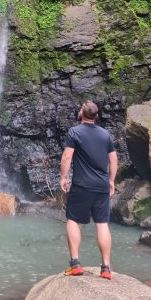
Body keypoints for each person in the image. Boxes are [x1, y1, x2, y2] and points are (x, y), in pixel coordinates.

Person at [59, 100, 118, 280]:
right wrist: (111, 181)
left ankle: (75, 264)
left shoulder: (74, 132)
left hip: (82, 185)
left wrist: (63, 177)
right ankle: (106, 268)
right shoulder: (105, 135)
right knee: (102, 223)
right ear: (96, 116)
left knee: (72, 220)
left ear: (81, 114)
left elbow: (67, 157)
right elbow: (114, 159)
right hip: (101, 186)